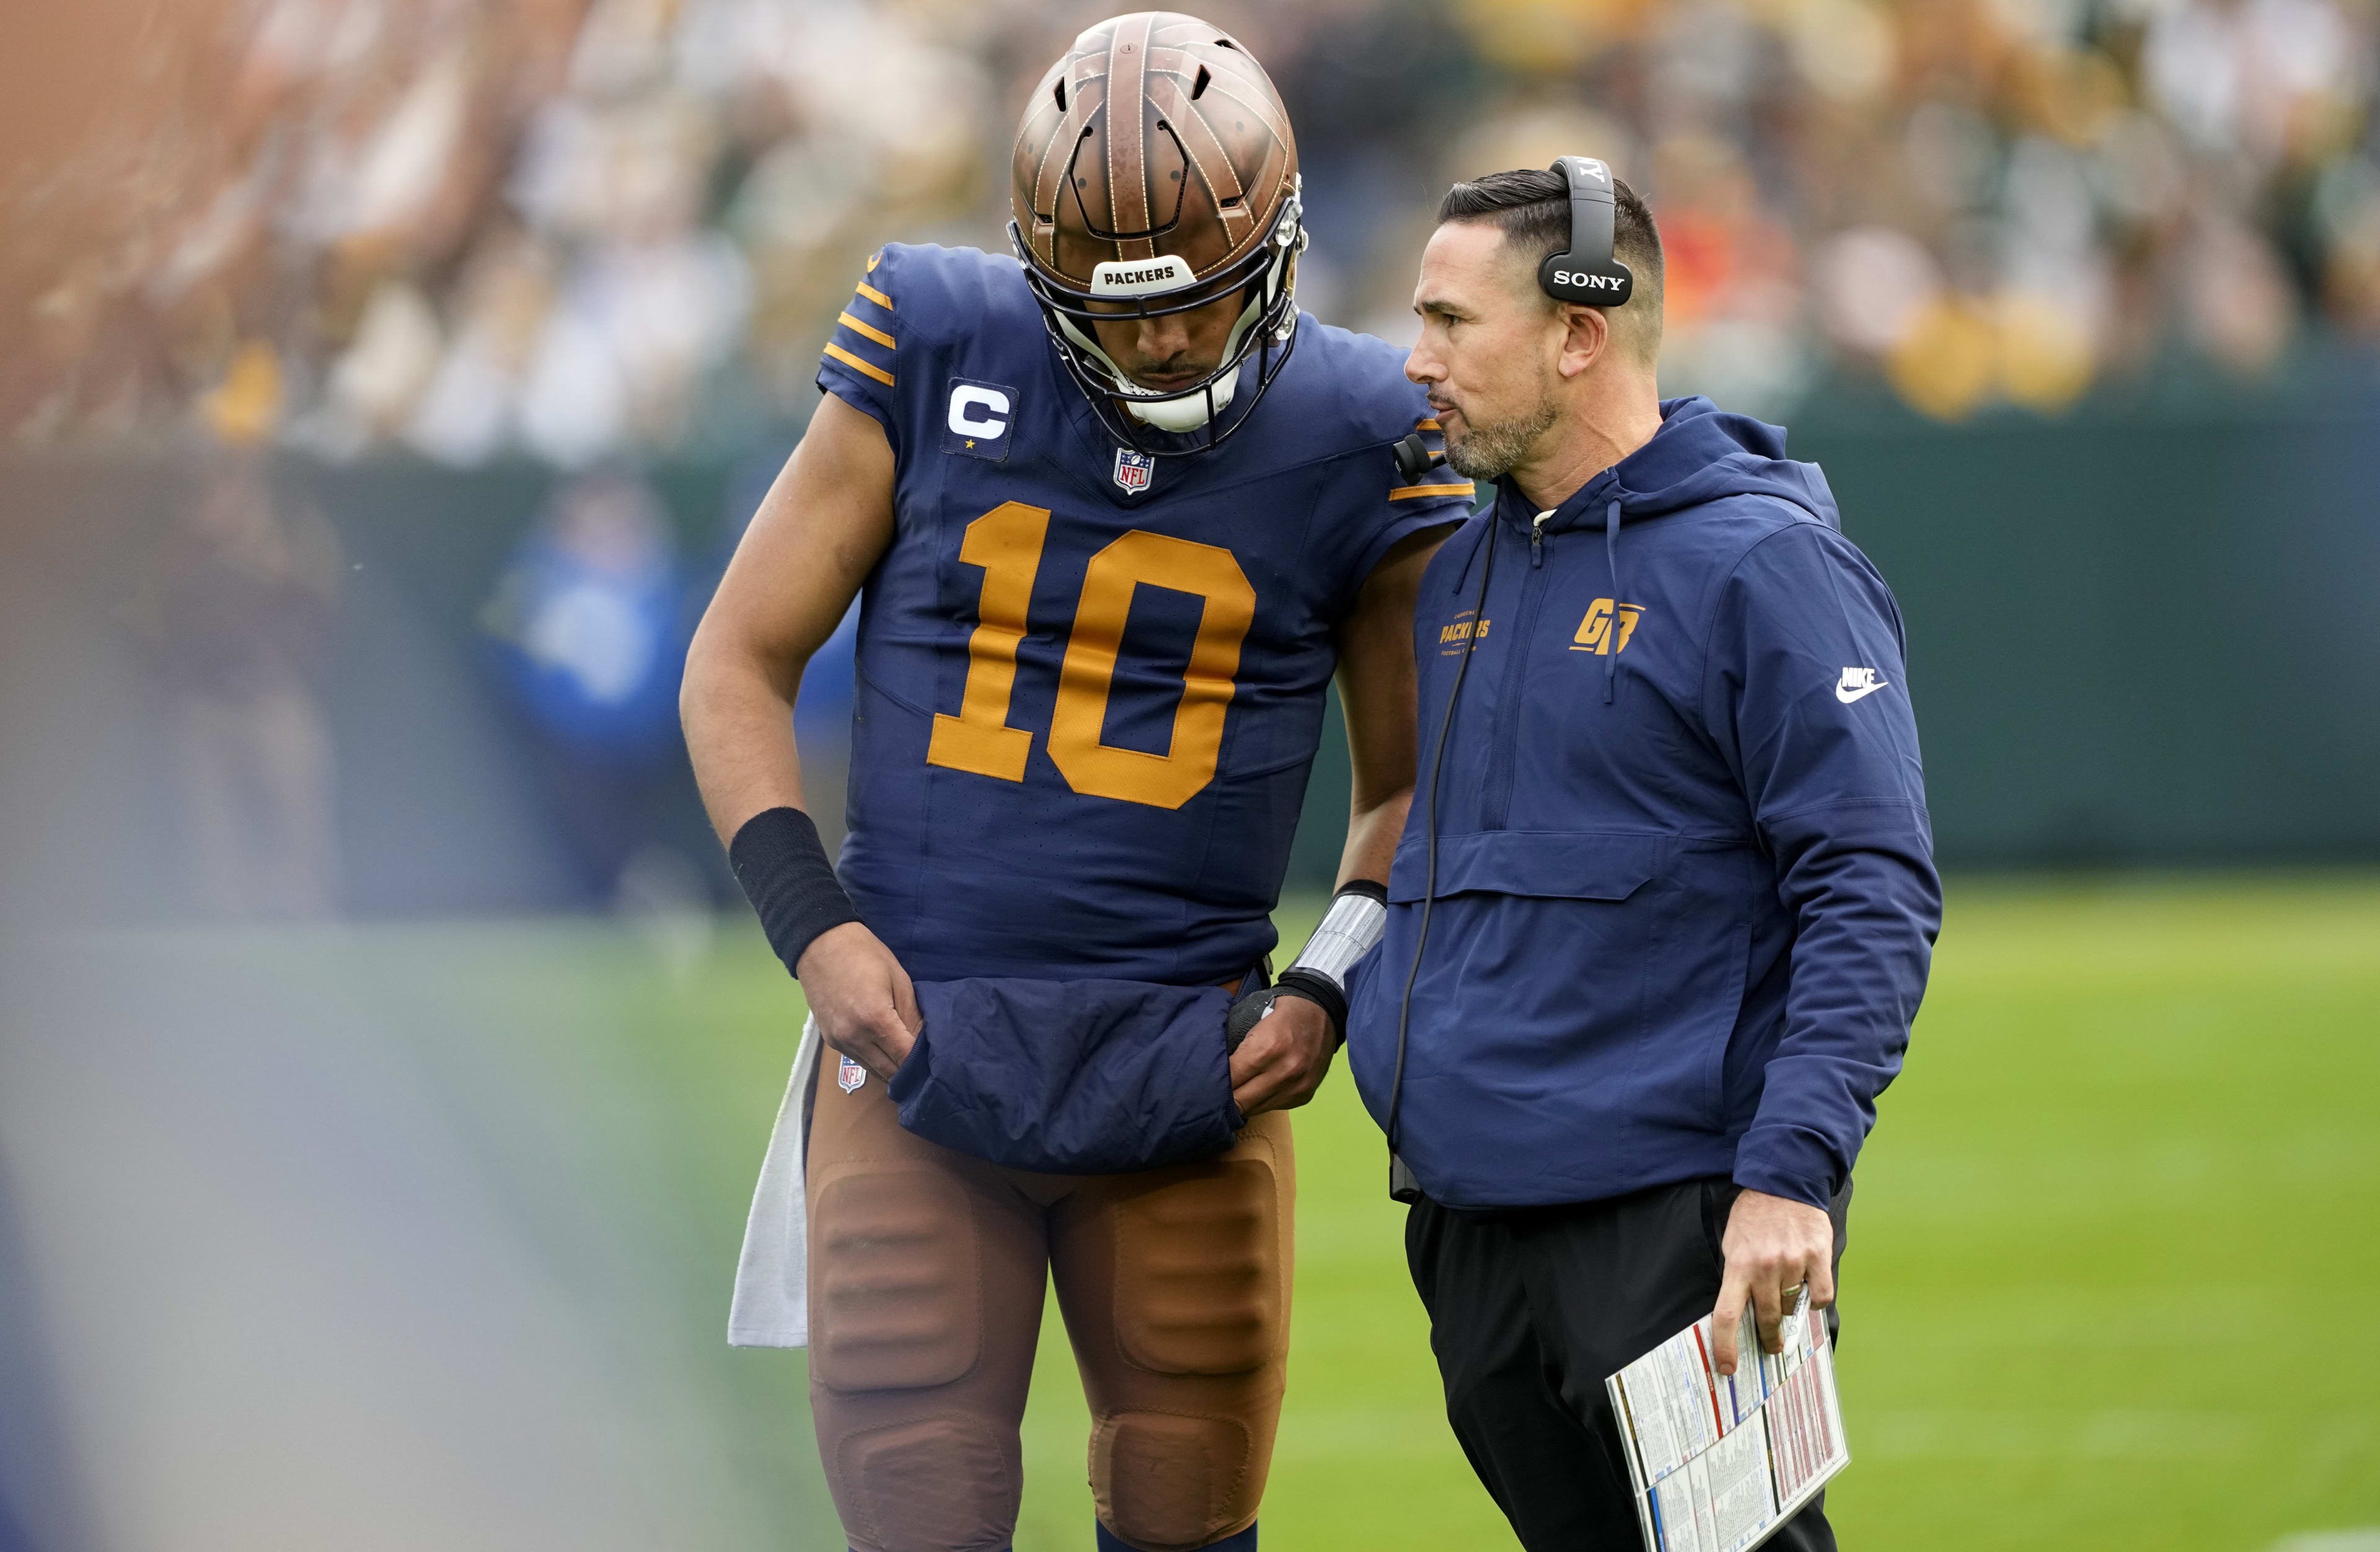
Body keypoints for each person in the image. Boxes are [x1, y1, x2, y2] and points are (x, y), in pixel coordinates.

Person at [678, 15, 1474, 1552]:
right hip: (916, 1029)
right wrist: (813, 930)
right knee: (923, 1507)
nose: (1163, 343)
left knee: (1185, 1515)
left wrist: (1327, 985)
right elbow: (736, 660)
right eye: (1120, 311)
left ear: (1280, 246)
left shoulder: (1369, 425)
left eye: (1198, 300)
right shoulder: (932, 335)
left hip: (1189, 1046)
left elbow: (1415, 788)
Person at [1342, 165, 1941, 1550]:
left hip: (1687, 1227)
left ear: (1578, 332)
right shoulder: (1461, 571)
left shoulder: (1767, 565)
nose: (1415, 361)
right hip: (1474, 1229)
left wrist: (1791, 1175)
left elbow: (1872, 887)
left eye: (1450, 321)